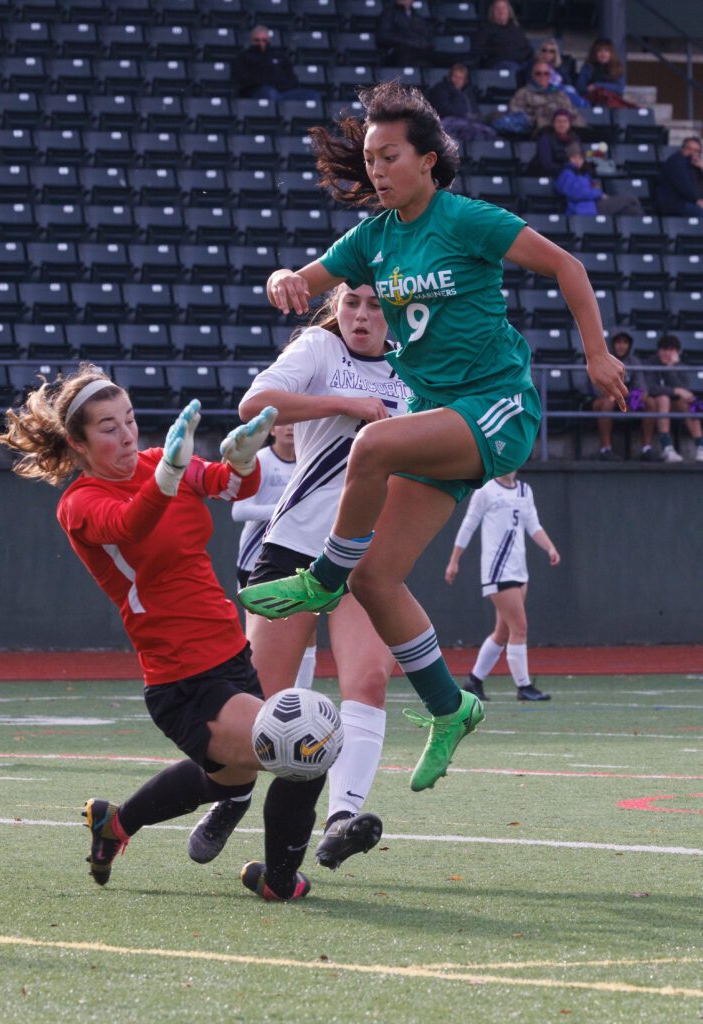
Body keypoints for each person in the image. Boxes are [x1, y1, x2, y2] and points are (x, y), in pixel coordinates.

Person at [237, 82, 627, 795]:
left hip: (497, 405)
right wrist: (283, 278)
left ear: (427, 161)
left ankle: (319, 578)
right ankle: (450, 709)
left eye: (389, 157)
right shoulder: (372, 239)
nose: (377, 170)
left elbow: (566, 267)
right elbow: (306, 277)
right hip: (440, 415)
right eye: (369, 158)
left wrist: (595, 354)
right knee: (375, 578)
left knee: (371, 449)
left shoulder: (466, 219)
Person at [0, 365, 324, 902]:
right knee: (304, 748)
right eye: (108, 427)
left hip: (229, 654)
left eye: (129, 420)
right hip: (183, 680)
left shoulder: (154, 462)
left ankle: (115, 824)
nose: (127, 435)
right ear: (78, 443)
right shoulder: (79, 504)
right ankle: (279, 883)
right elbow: (130, 525)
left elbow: (226, 483)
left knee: (230, 781)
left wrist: (240, 461)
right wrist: (167, 476)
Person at [234, 283, 407, 870]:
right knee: (255, 700)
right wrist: (345, 404)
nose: (360, 315)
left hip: (367, 557)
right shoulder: (319, 349)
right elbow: (254, 406)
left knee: (369, 682)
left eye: (376, 305)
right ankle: (228, 797)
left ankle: (341, 820)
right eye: (351, 302)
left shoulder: (418, 368)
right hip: (296, 548)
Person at [444, 471, 560, 702]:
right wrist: (454, 560)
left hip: (519, 569)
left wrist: (550, 547)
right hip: (497, 570)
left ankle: (474, 681)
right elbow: (469, 524)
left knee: (503, 632)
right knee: (520, 627)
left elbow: (533, 525)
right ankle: (523, 686)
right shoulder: (486, 490)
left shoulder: (524, 491)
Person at [232, 422, 317, 689]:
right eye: (284, 423)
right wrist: (284, 509)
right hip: (256, 560)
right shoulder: (260, 460)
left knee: (309, 631)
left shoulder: (309, 461)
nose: (290, 428)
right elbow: (239, 511)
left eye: (296, 423)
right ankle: (255, 697)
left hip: (299, 555)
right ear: (272, 430)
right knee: (256, 635)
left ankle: (301, 698)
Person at [591, 330, 654, 461]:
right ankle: (606, 449)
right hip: (605, 398)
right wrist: (614, 395)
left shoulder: (634, 361)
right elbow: (597, 387)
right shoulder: (603, 360)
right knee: (607, 402)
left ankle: (646, 448)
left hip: (628, 399)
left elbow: (642, 386)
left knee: (651, 402)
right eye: (618, 342)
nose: (621, 346)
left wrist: (633, 397)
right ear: (612, 344)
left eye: (625, 343)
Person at [644, 334, 703, 463]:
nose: (667, 353)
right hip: (654, 404)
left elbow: (685, 390)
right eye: (664, 349)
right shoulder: (650, 363)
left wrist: (670, 369)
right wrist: (675, 390)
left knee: (689, 403)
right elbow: (650, 388)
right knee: (664, 399)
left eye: (671, 350)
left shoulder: (679, 366)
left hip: (674, 404)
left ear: (678, 352)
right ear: (658, 350)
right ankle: (667, 448)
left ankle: (700, 447)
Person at [231, 25, 319, 102]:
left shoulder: (280, 56)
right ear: (252, 41)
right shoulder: (243, 57)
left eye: (264, 40)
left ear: (268, 40)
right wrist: (265, 81)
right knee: (270, 93)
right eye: (257, 40)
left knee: (312, 96)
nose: (261, 43)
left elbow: (292, 79)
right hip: (258, 91)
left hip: (283, 91)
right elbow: (241, 79)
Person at [554, 141, 644, 217]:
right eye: (574, 158)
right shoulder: (566, 173)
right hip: (582, 208)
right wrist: (599, 194)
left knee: (633, 210)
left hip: (594, 204)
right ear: (568, 159)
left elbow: (593, 187)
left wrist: (597, 192)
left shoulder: (585, 174)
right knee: (631, 199)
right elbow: (574, 193)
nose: (578, 161)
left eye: (580, 158)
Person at [505, 62, 584, 136]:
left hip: (564, 130)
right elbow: (516, 113)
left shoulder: (560, 93)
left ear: (550, 76)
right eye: (538, 73)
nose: (543, 76)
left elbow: (571, 110)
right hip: (539, 132)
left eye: (546, 73)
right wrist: (538, 118)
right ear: (532, 75)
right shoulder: (523, 93)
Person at [426, 63, 497, 142]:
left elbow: (475, 111)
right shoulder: (441, 88)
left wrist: (474, 117)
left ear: (465, 80)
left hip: (469, 122)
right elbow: (443, 108)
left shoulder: (469, 93)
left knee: (488, 132)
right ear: (450, 77)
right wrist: (463, 114)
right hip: (450, 121)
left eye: (461, 78)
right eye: (455, 77)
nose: (457, 80)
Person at [473, 0, 532, 75]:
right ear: (492, 12)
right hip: (499, 63)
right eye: (497, 8)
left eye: (504, 8)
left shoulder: (516, 29)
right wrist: (498, 52)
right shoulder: (485, 29)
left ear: (509, 11)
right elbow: (478, 48)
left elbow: (527, 49)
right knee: (514, 69)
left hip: (520, 62)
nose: (501, 11)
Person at [376, 0, 434, 68]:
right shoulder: (388, 14)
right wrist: (409, 42)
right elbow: (383, 36)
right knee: (407, 54)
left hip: (418, 53)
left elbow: (426, 38)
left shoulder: (418, 18)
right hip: (397, 53)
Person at [655, 137, 703, 217]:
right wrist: (697, 200)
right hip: (675, 204)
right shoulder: (676, 161)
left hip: (690, 202)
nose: (692, 153)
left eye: (696, 151)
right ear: (682, 149)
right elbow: (684, 185)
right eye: (689, 149)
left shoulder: (696, 166)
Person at [528, 108, 582, 176]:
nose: (561, 124)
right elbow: (547, 164)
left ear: (569, 124)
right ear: (553, 123)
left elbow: (578, 158)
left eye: (565, 121)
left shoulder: (574, 139)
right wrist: (565, 169)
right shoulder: (545, 138)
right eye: (558, 121)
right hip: (545, 173)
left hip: (567, 173)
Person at [575, 38, 626, 104]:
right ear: (594, 53)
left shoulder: (617, 67)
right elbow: (580, 87)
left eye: (606, 51)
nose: (603, 54)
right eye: (600, 51)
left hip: (612, 103)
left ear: (611, 53)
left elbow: (619, 88)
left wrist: (597, 85)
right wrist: (589, 90)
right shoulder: (588, 67)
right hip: (592, 102)